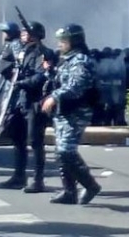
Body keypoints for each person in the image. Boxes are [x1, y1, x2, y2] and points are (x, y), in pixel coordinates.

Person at [42, 24, 101, 205]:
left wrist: (54, 96)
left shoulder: (80, 60)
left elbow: (76, 87)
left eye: (64, 41)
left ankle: (90, 185)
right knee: (60, 153)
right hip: (64, 111)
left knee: (66, 151)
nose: (60, 44)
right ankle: (69, 191)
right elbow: (60, 80)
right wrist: (50, 70)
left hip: (77, 111)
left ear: (74, 41)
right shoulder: (66, 59)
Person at [0, 21, 54, 192]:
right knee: (18, 139)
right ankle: (19, 176)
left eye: (27, 32)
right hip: (19, 100)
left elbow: (42, 76)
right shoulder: (21, 50)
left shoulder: (44, 53)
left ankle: (38, 180)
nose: (23, 35)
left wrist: (22, 83)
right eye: (22, 32)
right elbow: (6, 66)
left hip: (35, 101)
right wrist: (10, 74)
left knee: (35, 142)